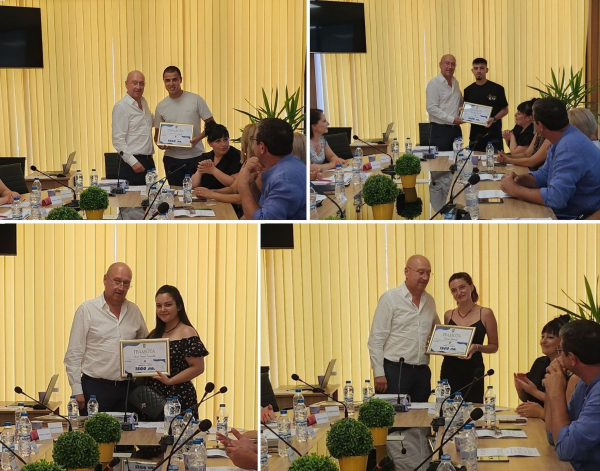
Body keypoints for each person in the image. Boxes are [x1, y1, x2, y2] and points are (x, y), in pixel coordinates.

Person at [64, 263, 148, 413]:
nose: (121, 287)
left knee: (131, 429)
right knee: (95, 429)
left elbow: (145, 346)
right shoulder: (87, 310)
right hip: (95, 389)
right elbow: (74, 354)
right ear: (105, 279)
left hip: (127, 390)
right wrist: (77, 389)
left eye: (126, 283)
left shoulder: (134, 311)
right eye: (117, 281)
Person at [500, 97, 600, 219]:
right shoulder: (562, 137)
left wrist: (515, 190)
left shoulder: (569, 148)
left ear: (540, 126)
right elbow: (544, 174)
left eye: (534, 121)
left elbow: (556, 198)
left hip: (577, 218)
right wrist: (520, 179)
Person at [367, 255, 440, 402]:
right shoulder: (390, 298)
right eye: (421, 272)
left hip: (422, 372)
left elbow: (438, 333)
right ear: (406, 272)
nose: (425, 278)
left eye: (428, 273)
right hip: (395, 371)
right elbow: (376, 339)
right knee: (394, 416)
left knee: (421, 415)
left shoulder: (430, 301)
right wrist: (378, 372)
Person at [545, 320, 600, 470]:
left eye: (560, 351)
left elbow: (565, 449)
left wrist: (557, 393)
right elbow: (553, 436)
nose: (558, 358)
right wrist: (552, 388)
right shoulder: (584, 383)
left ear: (572, 359)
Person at [147, 285, 209, 413]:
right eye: (158, 306)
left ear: (179, 306)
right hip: (152, 398)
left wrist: (170, 381)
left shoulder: (187, 332)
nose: (162, 309)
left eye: (168, 305)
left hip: (179, 395)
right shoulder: (154, 334)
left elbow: (198, 367)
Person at [440, 273, 498, 403]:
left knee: (472, 408)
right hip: (449, 369)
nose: (458, 293)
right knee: (448, 407)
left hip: (473, 370)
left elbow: (494, 346)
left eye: (462, 287)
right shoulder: (448, 315)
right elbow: (447, 344)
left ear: (471, 287)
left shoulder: (485, 313)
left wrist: (477, 347)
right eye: (454, 290)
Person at [154, 66, 214, 186]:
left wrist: (198, 139)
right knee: (175, 193)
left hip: (196, 156)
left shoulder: (195, 100)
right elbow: (157, 136)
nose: (171, 83)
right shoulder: (161, 106)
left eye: (174, 79)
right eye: (167, 80)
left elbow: (211, 125)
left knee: (197, 193)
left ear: (180, 80)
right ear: (164, 82)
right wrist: (160, 144)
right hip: (172, 159)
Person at [238, 118, 306, 220]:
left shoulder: (284, 179)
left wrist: (243, 185)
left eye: (253, 140)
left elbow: (262, 221)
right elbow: (263, 204)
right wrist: (250, 183)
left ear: (262, 147)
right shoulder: (290, 164)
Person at [514, 315, 578, 419]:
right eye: (542, 337)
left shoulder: (572, 368)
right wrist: (521, 389)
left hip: (554, 421)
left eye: (550, 337)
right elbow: (529, 400)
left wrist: (534, 391)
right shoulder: (540, 362)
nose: (543, 341)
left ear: (563, 342)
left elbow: (566, 406)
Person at [111, 70, 156, 185]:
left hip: (148, 162)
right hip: (131, 164)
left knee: (151, 195)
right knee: (132, 197)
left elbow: (149, 122)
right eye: (134, 83)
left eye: (141, 83)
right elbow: (118, 140)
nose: (138, 87)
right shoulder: (121, 107)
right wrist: (133, 162)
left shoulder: (143, 102)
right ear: (126, 84)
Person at [463, 58, 509, 152]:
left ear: (486, 70)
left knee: (496, 161)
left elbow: (505, 110)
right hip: (475, 137)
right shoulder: (468, 90)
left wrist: (494, 118)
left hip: (494, 136)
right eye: (476, 68)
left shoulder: (497, 89)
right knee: (474, 161)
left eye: (481, 68)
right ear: (472, 71)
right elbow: (467, 111)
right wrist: (463, 112)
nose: (478, 71)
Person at [425, 54, 465, 151]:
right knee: (441, 160)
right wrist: (452, 119)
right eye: (447, 63)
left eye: (453, 64)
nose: (450, 67)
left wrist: (466, 110)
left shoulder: (455, 82)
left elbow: (459, 102)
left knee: (457, 157)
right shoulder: (434, 83)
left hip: (456, 130)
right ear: (440, 65)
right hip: (440, 131)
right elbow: (431, 108)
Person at [190, 122, 241, 191]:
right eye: (218, 141)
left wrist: (213, 171)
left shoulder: (236, 156)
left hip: (225, 196)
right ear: (209, 143)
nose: (223, 144)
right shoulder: (206, 157)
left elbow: (234, 184)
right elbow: (192, 185)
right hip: (206, 196)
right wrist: (200, 171)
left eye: (225, 140)